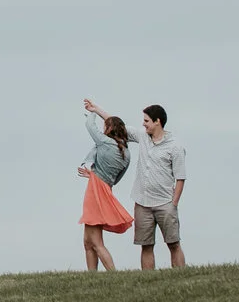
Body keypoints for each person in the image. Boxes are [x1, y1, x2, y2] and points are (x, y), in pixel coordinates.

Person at [124, 103, 187, 269]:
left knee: (173, 244)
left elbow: (180, 178)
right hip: (142, 203)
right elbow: (117, 125)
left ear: (157, 121)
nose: (143, 124)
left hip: (165, 203)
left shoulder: (175, 147)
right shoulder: (143, 137)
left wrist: (174, 204)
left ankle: (181, 275)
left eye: (146, 120)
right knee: (146, 245)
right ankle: (148, 281)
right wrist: (96, 109)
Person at [76, 100, 133, 271]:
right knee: (87, 241)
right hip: (104, 188)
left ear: (109, 129)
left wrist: (92, 111)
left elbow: (89, 125)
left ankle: (113, 274)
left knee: (96, 242)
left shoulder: (105, 142)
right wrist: (94, 176)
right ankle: (92, 277)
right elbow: (116, 178)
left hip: (96, 190)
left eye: (105, 126)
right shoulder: (127, 153)